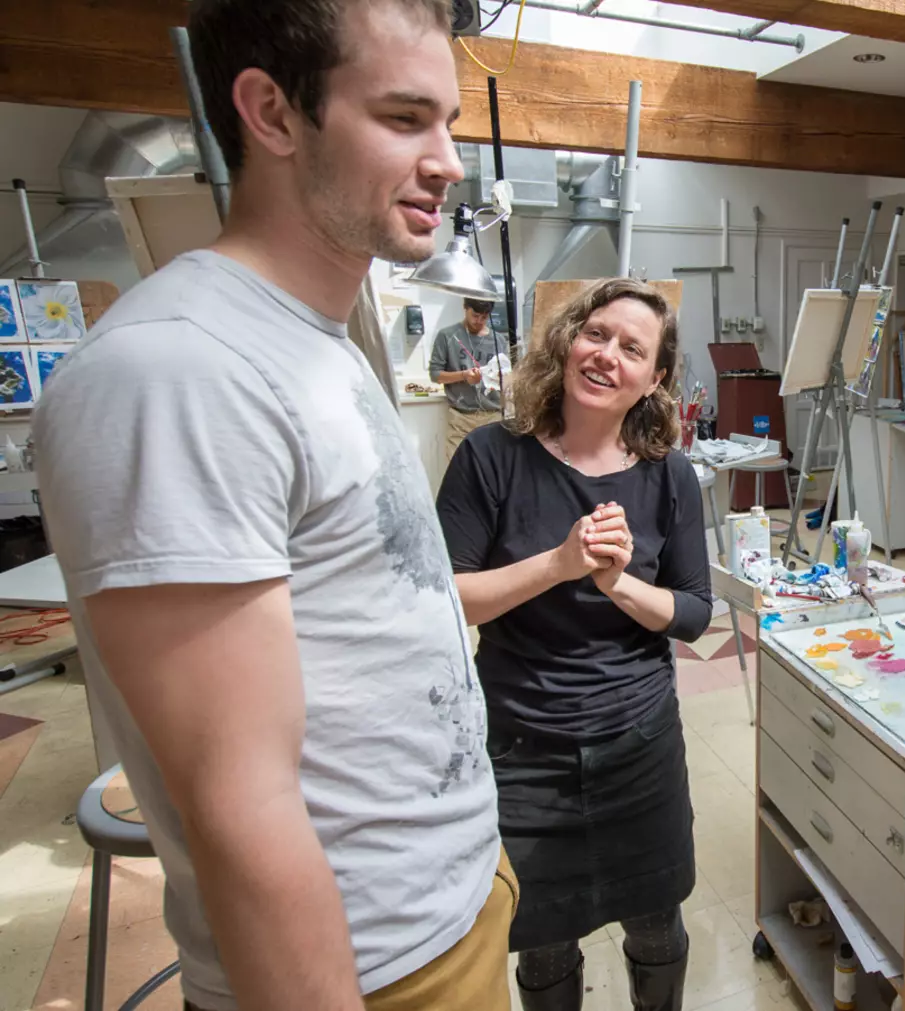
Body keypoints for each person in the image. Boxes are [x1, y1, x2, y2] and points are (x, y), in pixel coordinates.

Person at [31, 2, 513, 1010]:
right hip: (371, 971)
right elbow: (239, 806)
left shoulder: (319, 344)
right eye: (404, 117)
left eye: (451, 122)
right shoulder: (180, 373)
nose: (449, 160)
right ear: (274, 113)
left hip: (455, 909)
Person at [435, 277, 713, 1011]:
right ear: (567, 340)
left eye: (632, 348)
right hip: (524, 745)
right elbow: (443, 597)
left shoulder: (670, 477)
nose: (606, 355)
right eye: (596, 334)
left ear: (653, 379)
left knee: (656, 923)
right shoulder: (492, 458)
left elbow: (693, 613)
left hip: (638, 743)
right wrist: (559, 565)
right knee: (543, 932)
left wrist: (619, 584)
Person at [430, 296, 505, 456]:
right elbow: (435, 374)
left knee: (491, 471)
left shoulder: (498, 340)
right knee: (457, 472)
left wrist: (499, 378)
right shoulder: (447, 336)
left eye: (484, 317)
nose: (479, 321)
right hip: (461, 416)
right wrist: (464, 375)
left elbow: (507, 376)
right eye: (475, 315)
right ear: (465, 308)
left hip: (492, 416)